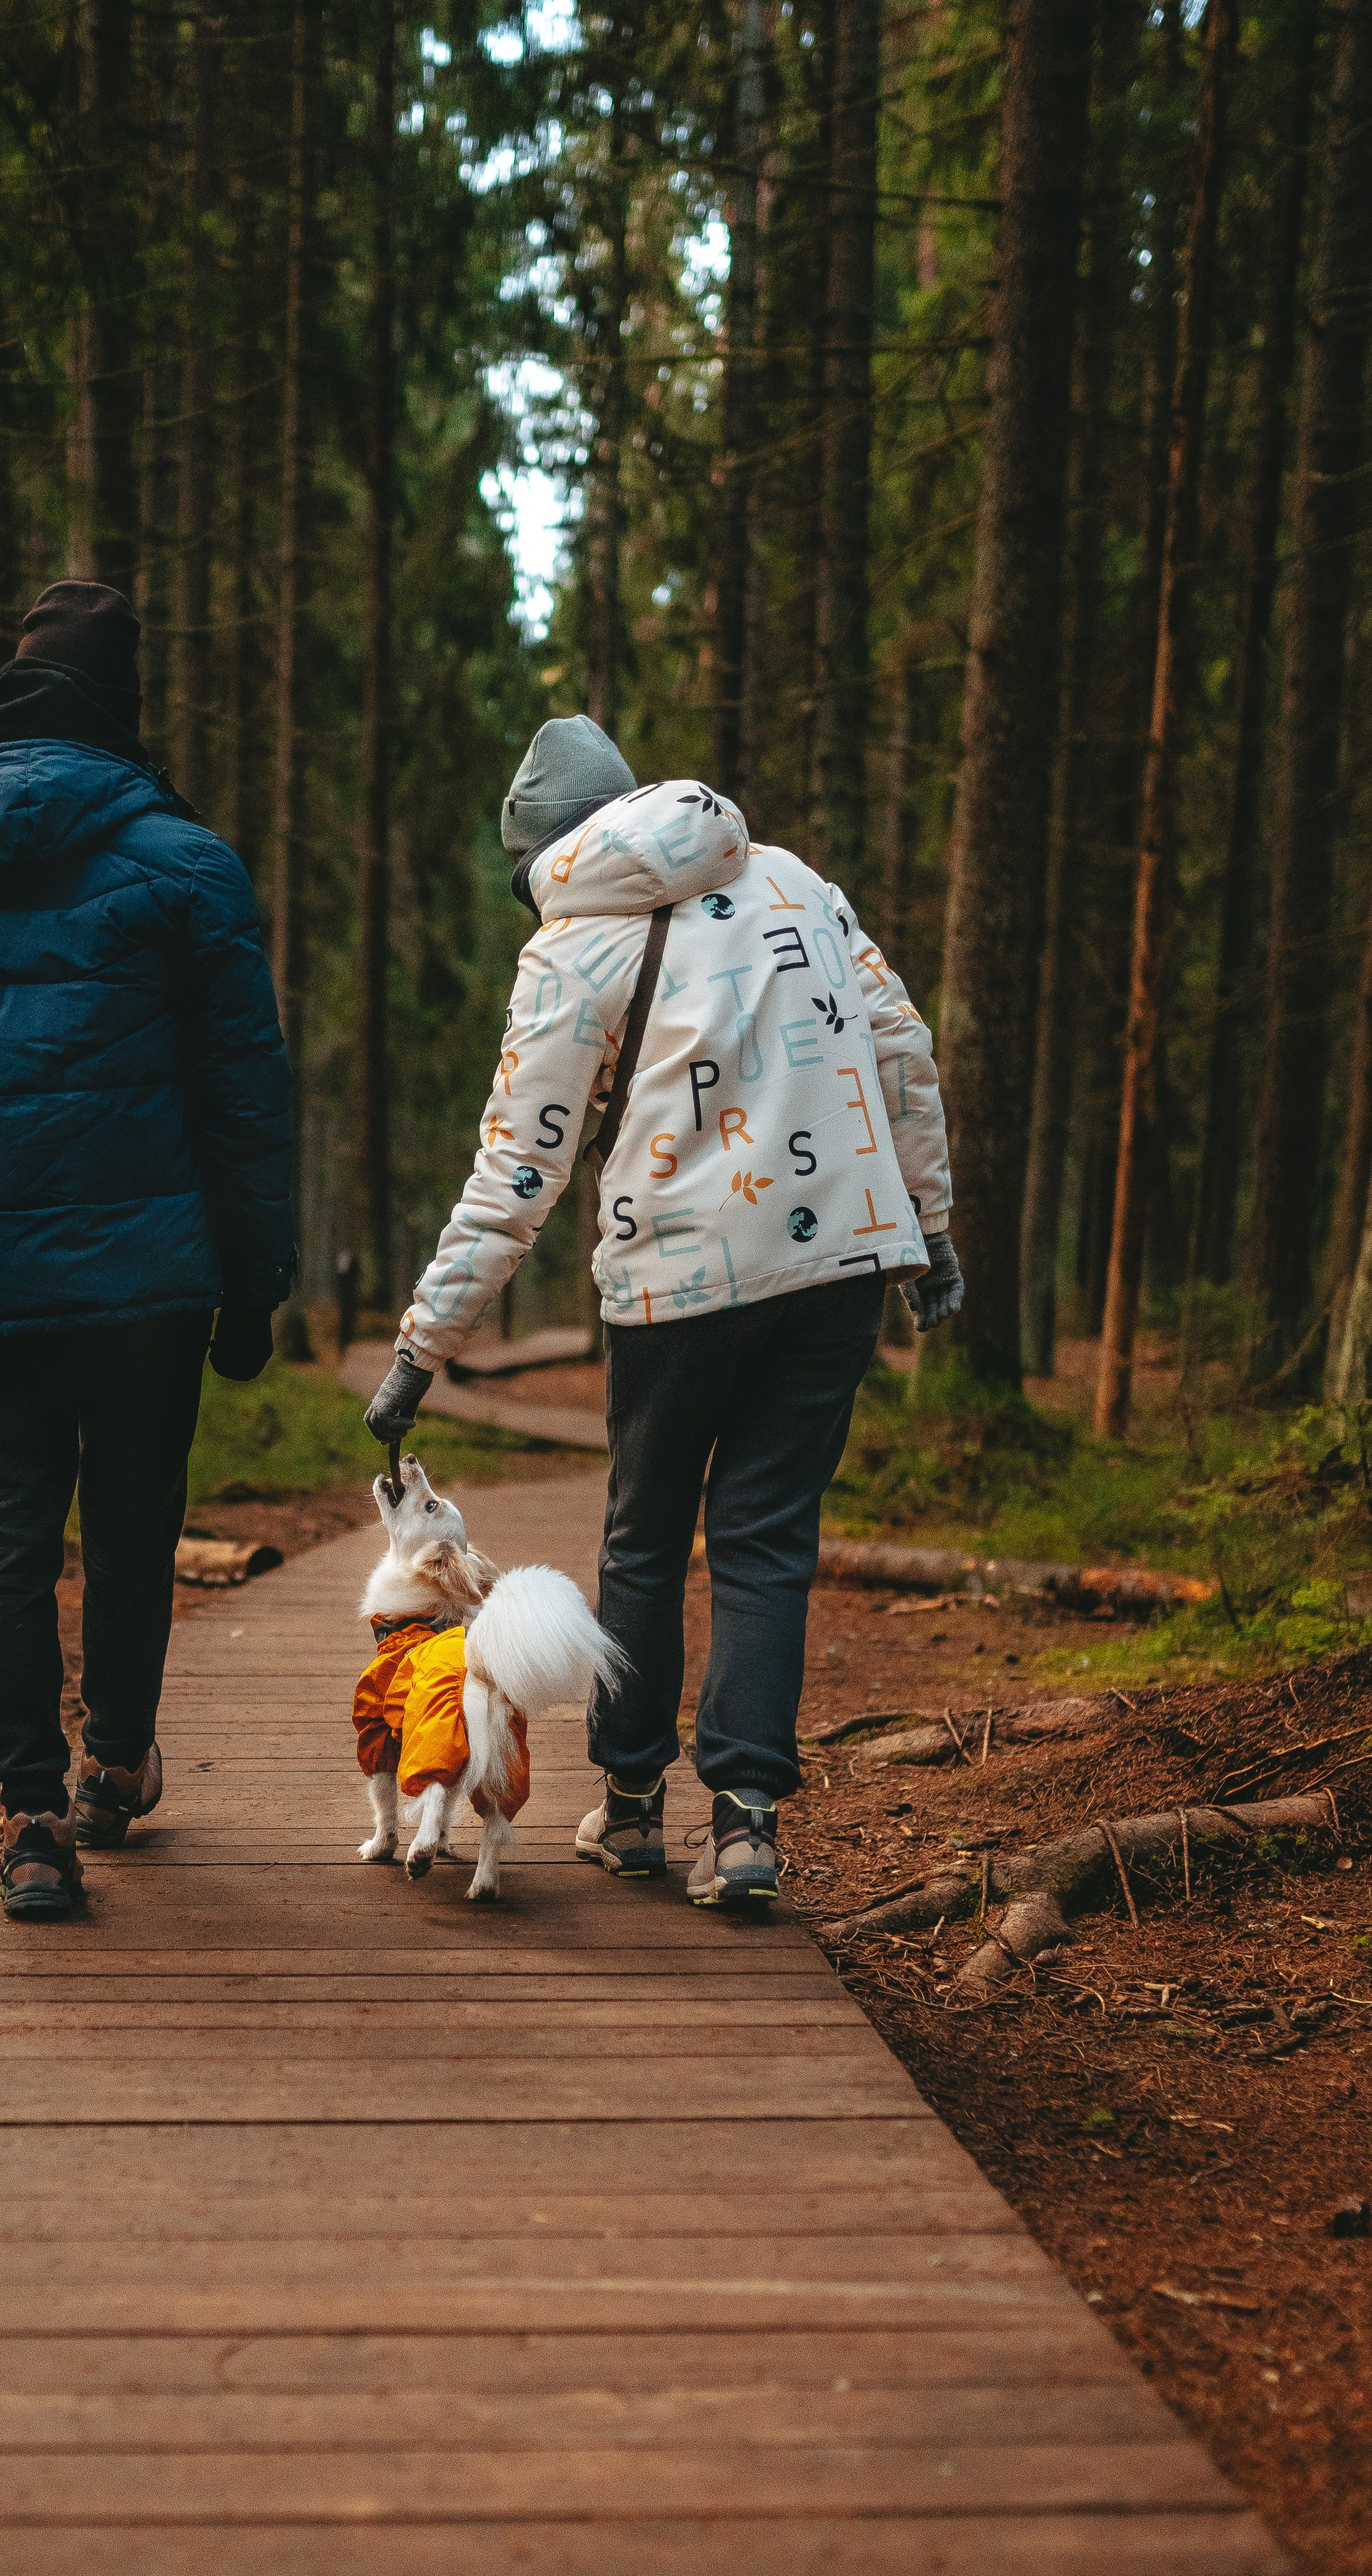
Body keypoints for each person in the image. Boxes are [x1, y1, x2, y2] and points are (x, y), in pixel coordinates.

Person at [364, 716, 959, 1908]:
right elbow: (901, 1046)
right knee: (768, 1537)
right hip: (840, 1261)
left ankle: (632, 1806)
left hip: (677, 1286)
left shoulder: (574, 946)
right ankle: (744, 1825)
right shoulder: (795, 881)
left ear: (542, 853)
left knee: (643, 1532)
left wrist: (422, 1347)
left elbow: (515, 1172)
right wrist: (930, 1229)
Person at [0, 581, 294, 1921]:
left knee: (6, 1534)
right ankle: (113, 1761)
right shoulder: (185, 864)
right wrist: (255, 1279)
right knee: (131, 1522)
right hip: (146, 1275)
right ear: (119, 708)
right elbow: (243, 1093)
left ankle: (31, 1816)